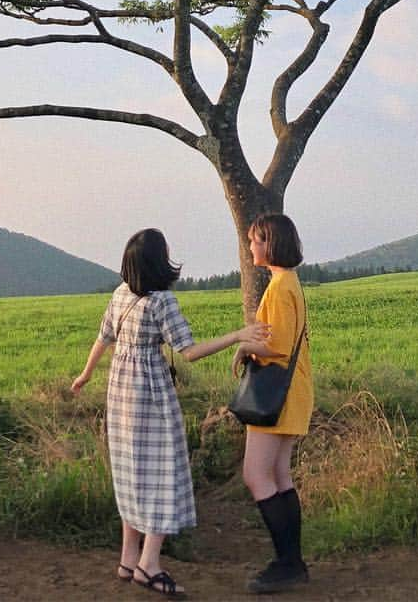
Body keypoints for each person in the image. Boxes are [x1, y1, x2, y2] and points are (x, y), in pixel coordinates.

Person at [72, 227, 269, 598]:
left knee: (131, 471)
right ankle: (149, 565)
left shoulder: (119, 294)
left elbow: (104, 337)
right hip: (150, 396)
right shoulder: (163, 302)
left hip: (119, 395)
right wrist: (239, 335)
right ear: (158, 262)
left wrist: (85, 374)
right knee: (163, 472)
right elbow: (188, 351)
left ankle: (128, 560)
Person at [233, 213, 313, 594]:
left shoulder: (280, 288)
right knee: (280, 477)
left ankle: (286, 562)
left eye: (255, 240)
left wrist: (243, 346)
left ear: (270, 243)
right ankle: (291, 562)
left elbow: (276, 346)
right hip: (292, 392)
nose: (251, 247)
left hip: (274, 395)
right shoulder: (289, 282)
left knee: (257, 475)